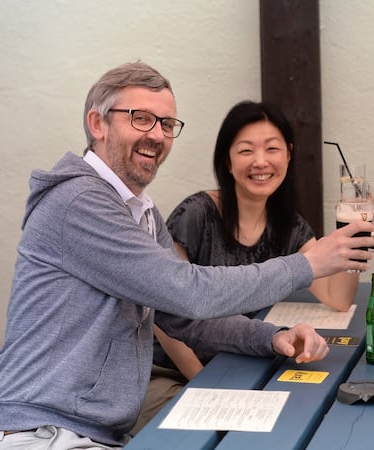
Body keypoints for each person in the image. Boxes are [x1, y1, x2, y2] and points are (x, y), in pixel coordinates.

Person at [0, 62, 374, 449]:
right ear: (97, 125)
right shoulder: (80, 201)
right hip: (40, 433)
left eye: (167, 124)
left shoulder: (140, 210)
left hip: (93, 433)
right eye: (140, 118)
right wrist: (306, 265)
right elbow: (188, 292)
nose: (157, 135)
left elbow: (182, 317)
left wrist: (273, 338)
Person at [131, 100, 360, 433]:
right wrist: (203, 383)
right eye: (246, 150)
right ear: (227, 159)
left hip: (239, 358)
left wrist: (351, 240)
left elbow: (336, 298)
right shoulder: (197, 214)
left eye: (272, 149)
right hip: (170, 370)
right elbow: (165, 317)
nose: (261, 162)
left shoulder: (288, 224)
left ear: (289, 154)